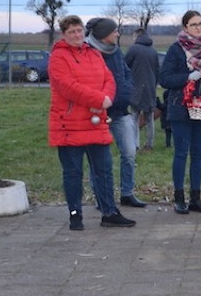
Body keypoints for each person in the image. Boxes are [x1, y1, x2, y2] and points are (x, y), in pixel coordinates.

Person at [48, 15, 135, 230]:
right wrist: (98, 100)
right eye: (71, 32)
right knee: (73, 172)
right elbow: (66, 86)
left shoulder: (94, 54)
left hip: (96, 121)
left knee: (103, 169)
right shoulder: (58, 57)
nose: (77, 35)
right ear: (64, 34)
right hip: (70, 124)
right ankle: (75, 214)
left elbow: (109, 79)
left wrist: (105, 100)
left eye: (79, 31)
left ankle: (109, 212)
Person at [159, 10, 201, 214]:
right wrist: (189, 77)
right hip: (180, 107)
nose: (198, 27)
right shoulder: (176, 49)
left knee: (198, 153)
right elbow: (165, 79)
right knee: (181, 153)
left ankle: (196, 198)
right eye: (194, 24)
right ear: (185, 27)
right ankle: (179, 198)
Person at [85, 17, 147, 209]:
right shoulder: (89, 53)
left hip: (121, 112)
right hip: (98, 114)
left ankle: (127, 193)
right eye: (114, 31)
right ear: (104, 35)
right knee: (99, 159)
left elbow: (126, 73)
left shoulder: (116, 51)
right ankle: (101, 197)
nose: (117, 34)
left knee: (129, 153)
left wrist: (127, 91)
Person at [125, 27, 160, 151]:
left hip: (136, 88)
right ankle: (149, 144)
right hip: (150, 89)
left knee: (134, 117)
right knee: (149, 118)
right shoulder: (154, 51)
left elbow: (125, 65)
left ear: (137, 36)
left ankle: (136, 144)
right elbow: (157, 71)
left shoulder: (133, 49)